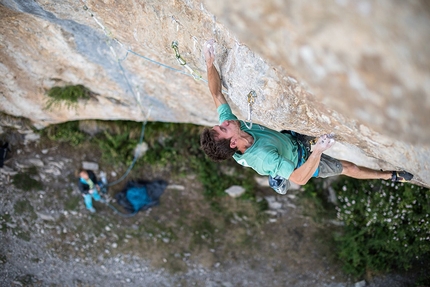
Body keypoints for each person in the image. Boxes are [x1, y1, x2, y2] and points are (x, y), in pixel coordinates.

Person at [199, 39, 413, 194]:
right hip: (300, 161)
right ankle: (391, 176)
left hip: (289, 140)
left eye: (220, 126)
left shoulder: (232, 133)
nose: (224, 122)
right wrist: (318, 150)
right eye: (224, 128)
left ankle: (279, 174)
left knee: (297, 136)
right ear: (234, 142)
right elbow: (300, 178)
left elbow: (216, 93)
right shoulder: (264, 156)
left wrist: (210, 62)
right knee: (350, 168)